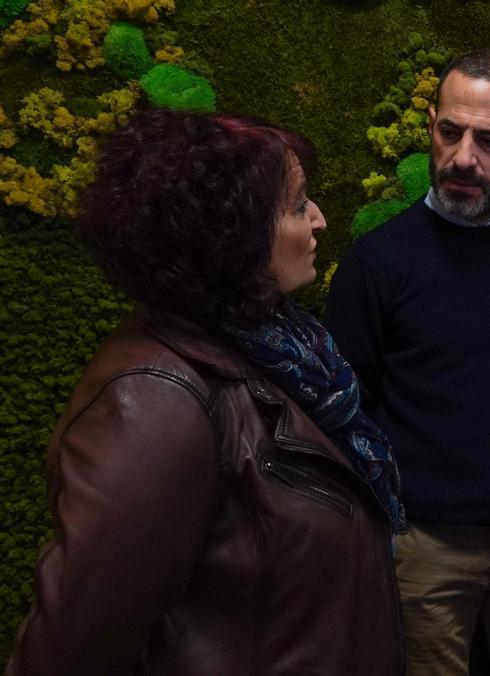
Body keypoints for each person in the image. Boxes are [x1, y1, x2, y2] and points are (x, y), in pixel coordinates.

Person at [5, 109, 406, 674]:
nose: (318, 220)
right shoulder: (155, 401)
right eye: (296, 206)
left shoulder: (275, 351)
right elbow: (72, 651)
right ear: (230, 236)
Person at [324, 48, 490, 675]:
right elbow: (343, 410)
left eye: (488, 140)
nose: (463, 157)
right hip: (423, 543)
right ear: (432, 128)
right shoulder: (377, 261)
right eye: (450, 132)